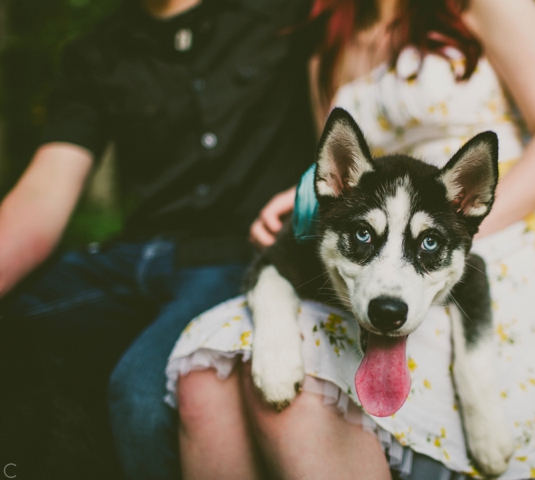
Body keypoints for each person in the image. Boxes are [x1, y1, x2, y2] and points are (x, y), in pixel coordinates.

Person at [166, 0, 535, 479]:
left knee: (306, 384)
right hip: (382, 239)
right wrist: (300, 198)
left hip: (499, 234)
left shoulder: (485, 5)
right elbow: (342, 174)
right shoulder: (327, 46)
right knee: (208, 371)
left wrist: (447, 232)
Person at [0, 0, 316, 478]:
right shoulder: (95, 53)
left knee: (143, 397)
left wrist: (309, 191)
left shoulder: (285, 15)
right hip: (129, 257)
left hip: (233, 255)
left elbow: (350, 105)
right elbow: (44, 194)